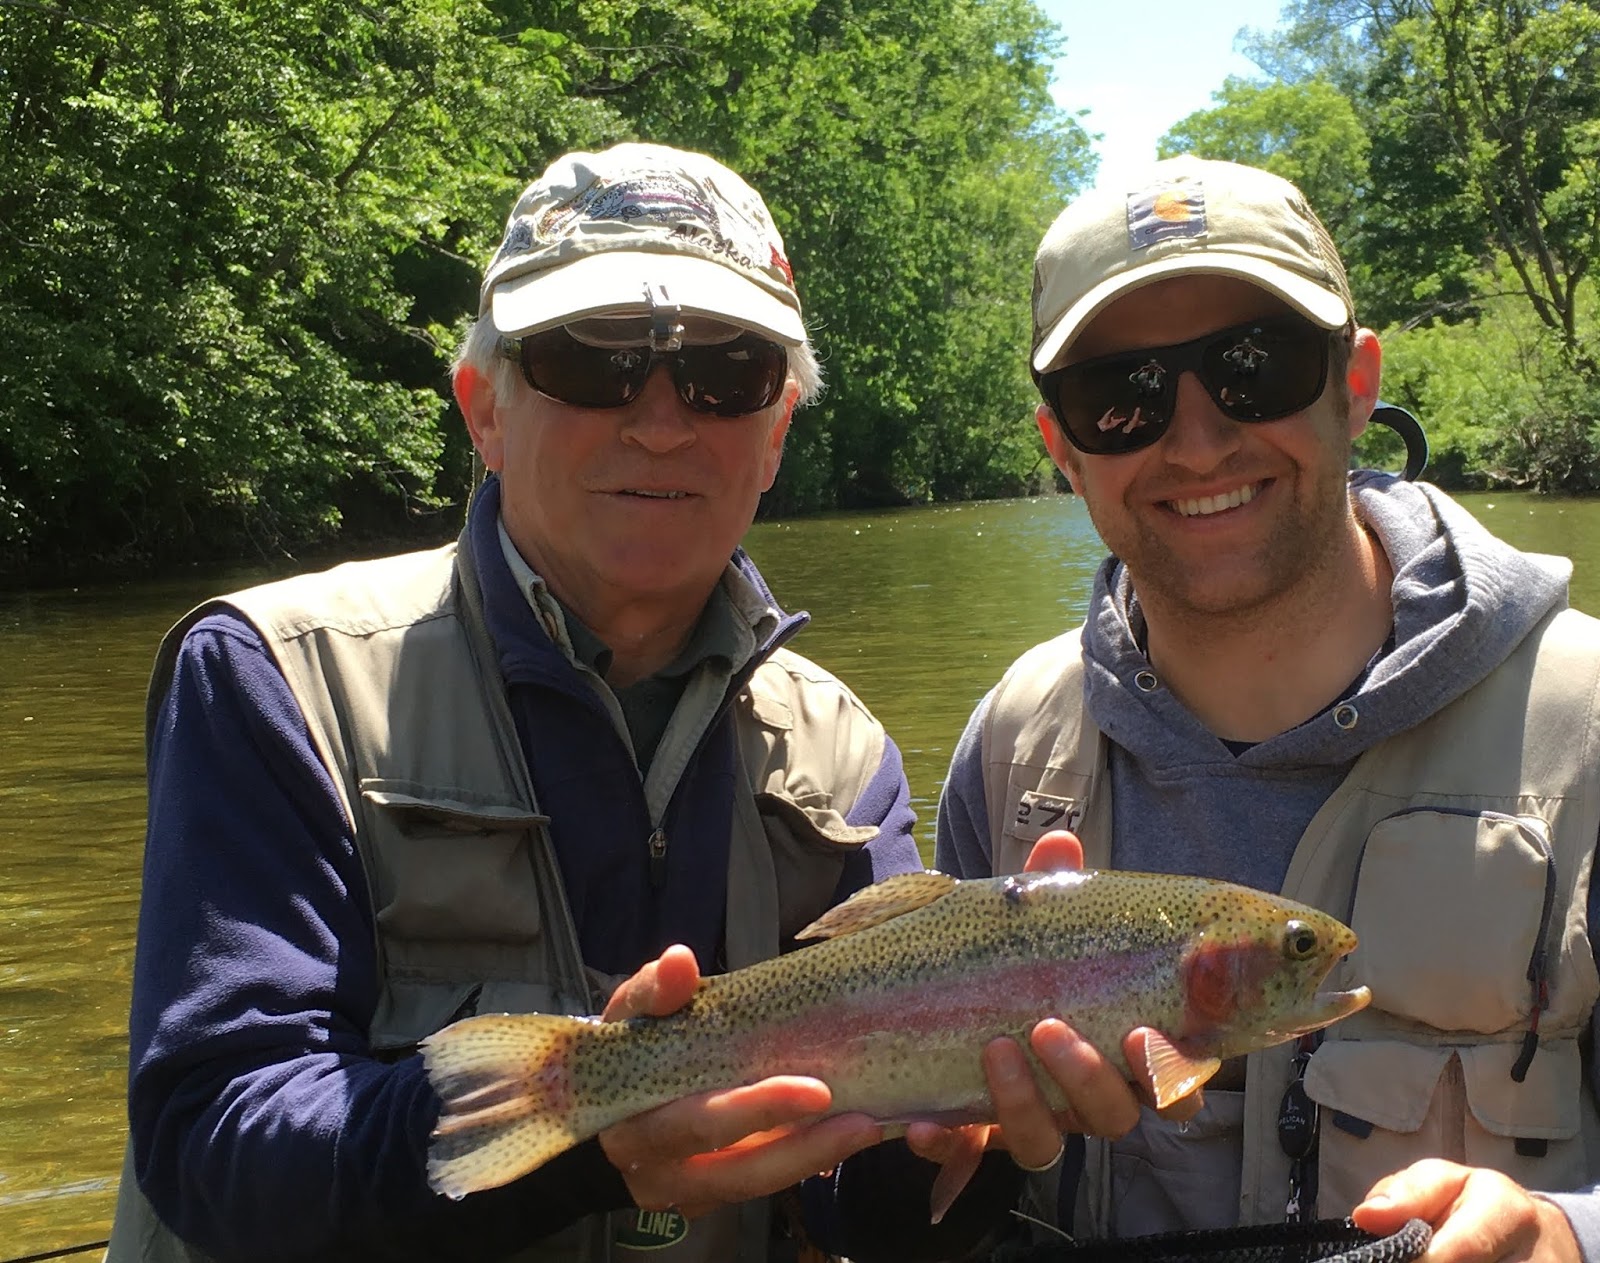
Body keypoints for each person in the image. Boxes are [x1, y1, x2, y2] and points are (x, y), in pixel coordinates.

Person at [106, 142, 1041, 1263]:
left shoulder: (839, 755)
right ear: (482, 410)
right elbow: (213, 1139)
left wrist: (975, 1141)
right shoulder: (277, 675)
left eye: (723, 373)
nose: (659, 421)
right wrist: (590, 1132)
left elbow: (860, 1214)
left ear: (776, 434)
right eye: (591, 363)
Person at [936, 154, 1600, 1261]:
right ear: (1062, 450)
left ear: (1356, 382)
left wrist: (1567, 1236)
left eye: (1257, 366)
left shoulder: (1588, 733)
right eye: (1121, 397)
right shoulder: (1013, 747)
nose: (1196, 441)